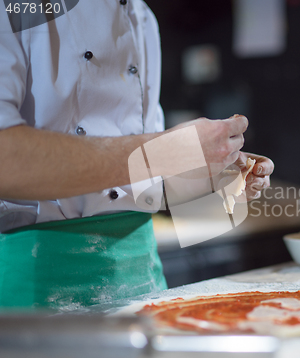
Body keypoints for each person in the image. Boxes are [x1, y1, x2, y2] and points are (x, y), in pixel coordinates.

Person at [0, 0, 273, 310]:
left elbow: (144, 185)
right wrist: (163, 152)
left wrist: (215, 175)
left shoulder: (141, 16)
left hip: (144, 284)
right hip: (38, 290)